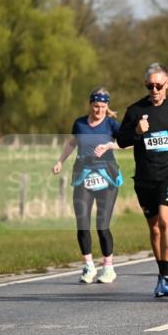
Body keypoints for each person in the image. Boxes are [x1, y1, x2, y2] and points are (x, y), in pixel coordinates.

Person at [117, 63, 168, 297]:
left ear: (167, 84)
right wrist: (137, 132)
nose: (154, 89)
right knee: (154, 228)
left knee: (165, 220)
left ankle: (167, 275)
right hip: (145, 178)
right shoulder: (135, 110)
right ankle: (161, 274)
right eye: (149, 86)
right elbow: (122, 140)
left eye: (158, 85)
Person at [52, 88, 124, 284]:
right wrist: (60, 161)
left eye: (102, 106)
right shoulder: (80, 123)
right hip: (83, 176)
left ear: (107, 106)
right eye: (95, 106)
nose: (98, 110)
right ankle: (89, 266)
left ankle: (108, 267)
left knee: (102, 225)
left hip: (106, 177)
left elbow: (128, 142)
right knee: (82, 223)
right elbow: (71, 143)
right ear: (90, 104)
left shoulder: (112, 124)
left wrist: (110, 146)